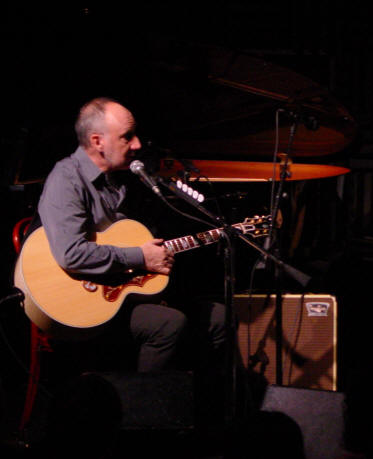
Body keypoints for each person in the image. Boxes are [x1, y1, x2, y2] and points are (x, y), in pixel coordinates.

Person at [36, 97, 232, 432]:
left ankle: (203, 418)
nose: (138, 144)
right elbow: (71, 254)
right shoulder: (65, 180)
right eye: (128, 136)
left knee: (218, 317)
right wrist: (141, 257)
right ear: (97, 141)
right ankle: (137, 423)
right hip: (80, 305)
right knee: (167, 323)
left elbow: (122, 241)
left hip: (116, 291)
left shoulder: (116, 181)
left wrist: (157, 255)